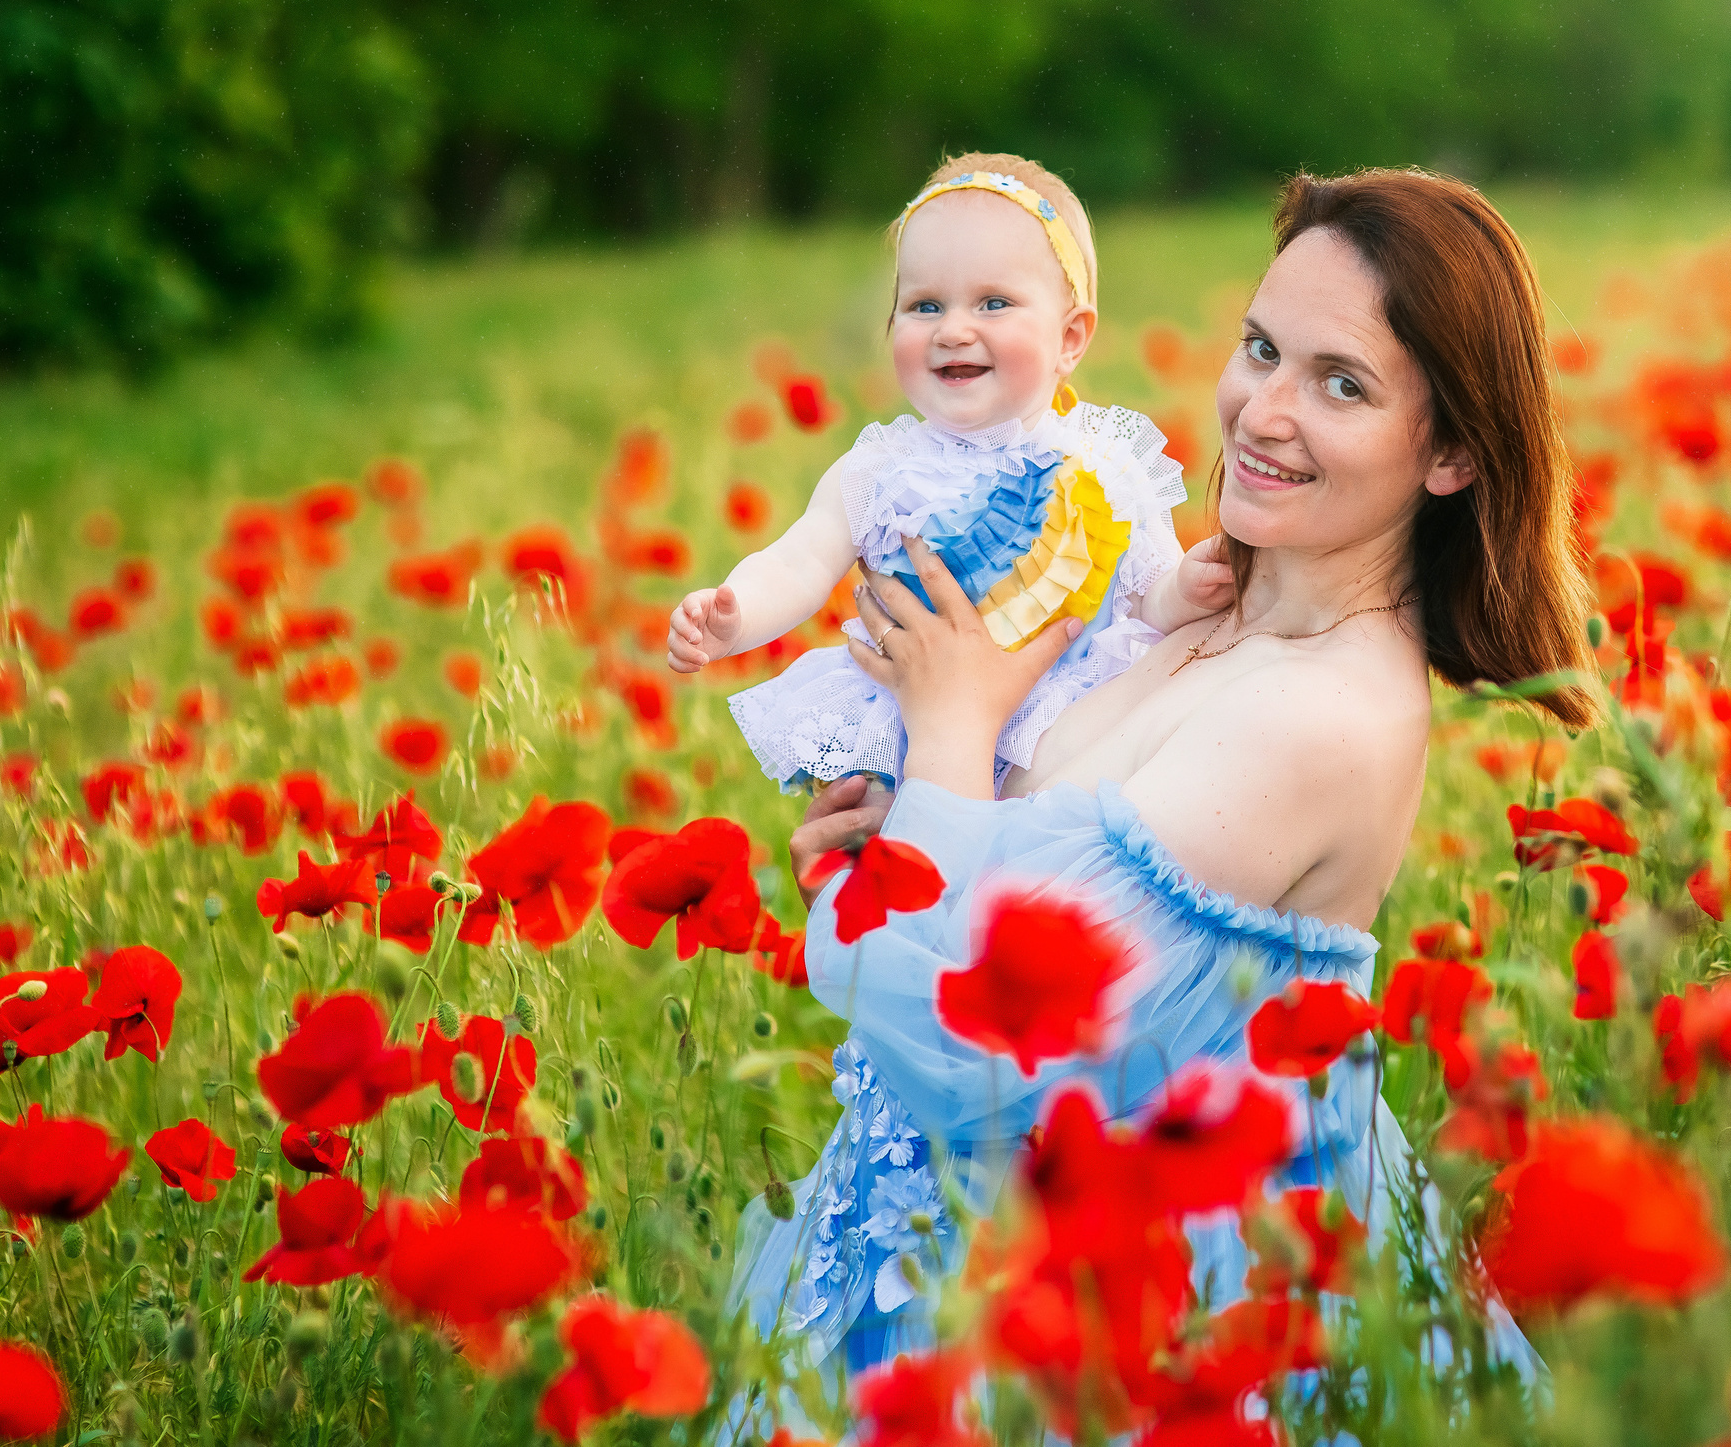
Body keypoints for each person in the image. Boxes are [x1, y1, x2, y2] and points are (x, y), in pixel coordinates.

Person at [722, 168, 1597, 1436]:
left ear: (1453, 451)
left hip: (1155, 1318)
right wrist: (911, 806)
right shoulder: (1204, 606)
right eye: (1260, 350)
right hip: (991, 1253)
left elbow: (974, 1049)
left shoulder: (1324, 713)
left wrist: (955, 724)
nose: (1262, 412)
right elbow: (991, 881)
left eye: (1340, 384)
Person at [665, 150, 1235, 791]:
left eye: (994, 303)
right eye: (926, 306)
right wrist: (733, 614)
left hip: (1061, 739)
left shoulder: (1104, 466)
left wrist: (1185, 588)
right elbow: (799, 561)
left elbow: (1144, 595)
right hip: (912, 740)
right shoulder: (883, 469)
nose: (954, 330)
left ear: (1070, 338)